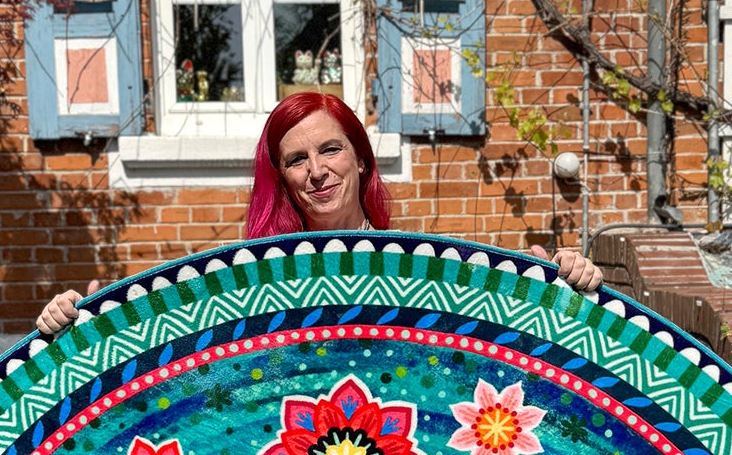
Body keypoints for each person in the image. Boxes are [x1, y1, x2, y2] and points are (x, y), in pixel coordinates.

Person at [35, 92, 603, 336]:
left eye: (330, 150)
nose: (316, 171)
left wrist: (560, 285)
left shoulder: (419, 271)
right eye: (296, 160)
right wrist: (85, 324)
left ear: (361, 158)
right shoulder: (251, 284)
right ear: (282, 178)